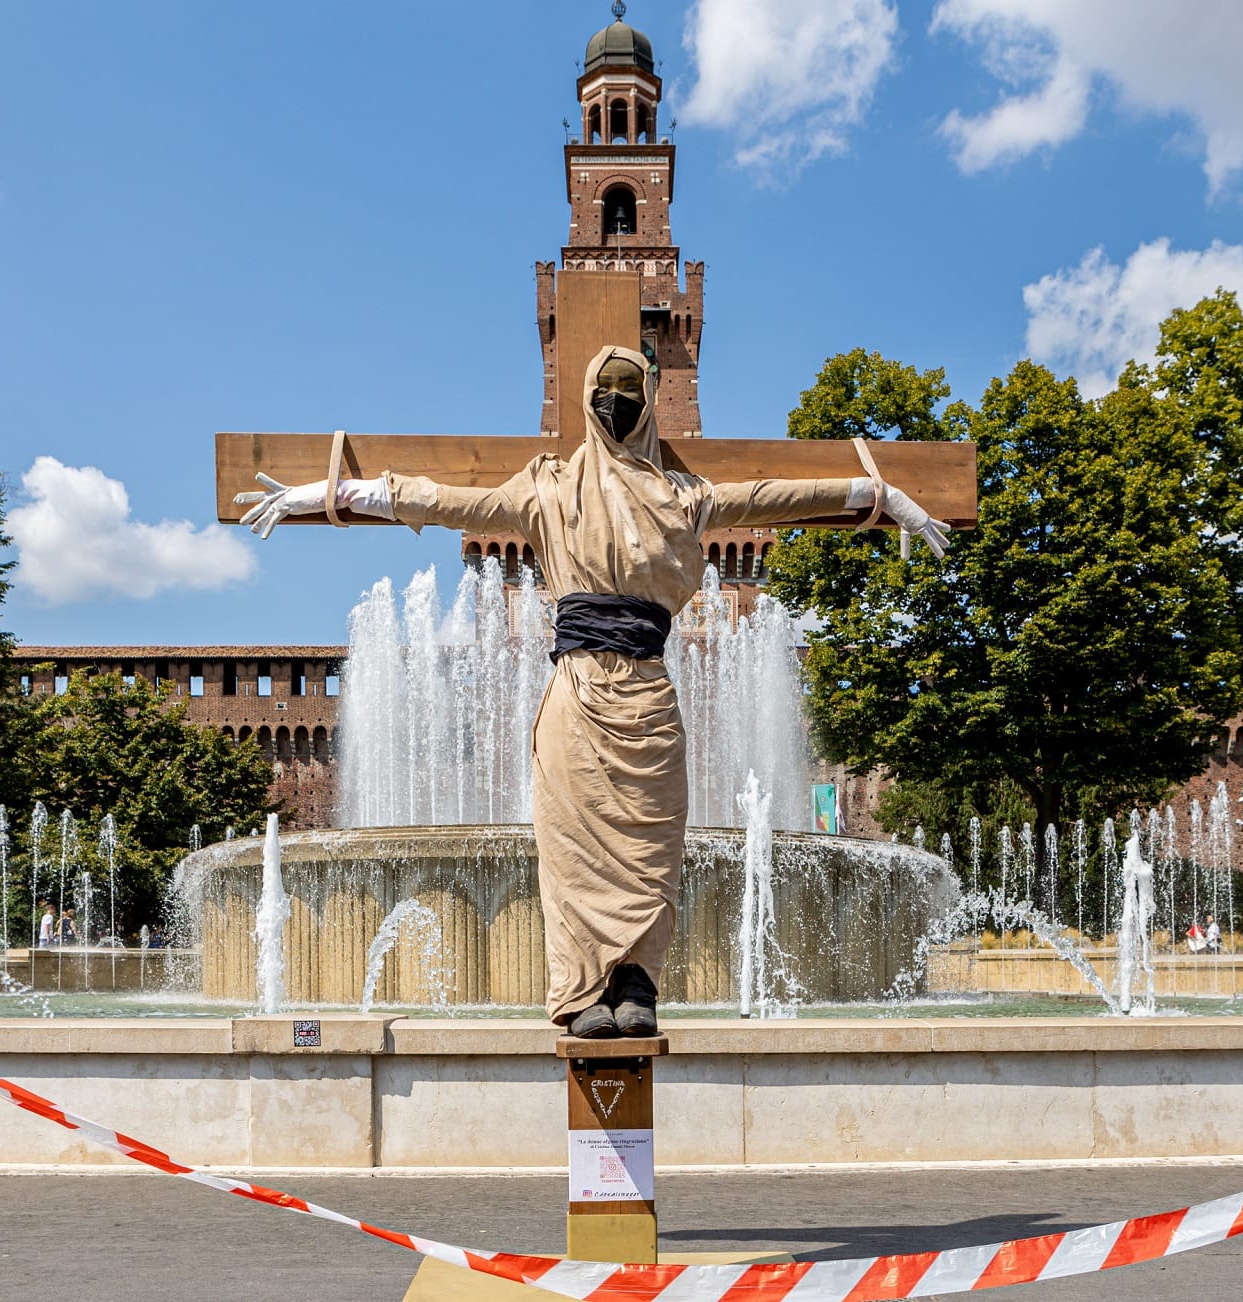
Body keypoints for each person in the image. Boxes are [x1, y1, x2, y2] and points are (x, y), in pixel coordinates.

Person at [236, 347, 951, 1038]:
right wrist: (327, 495)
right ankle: (582, 993)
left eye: (628, 392)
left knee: (653, 848)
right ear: (589, 400)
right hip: (580, 696)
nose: (616, 404)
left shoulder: (679, 496)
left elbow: (781, 496)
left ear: (645, 407)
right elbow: (445, 501)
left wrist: (884, 498)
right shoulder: (551, 491)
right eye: (608, 391)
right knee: (572, 853)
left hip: (642, 700)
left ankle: (637, 986)